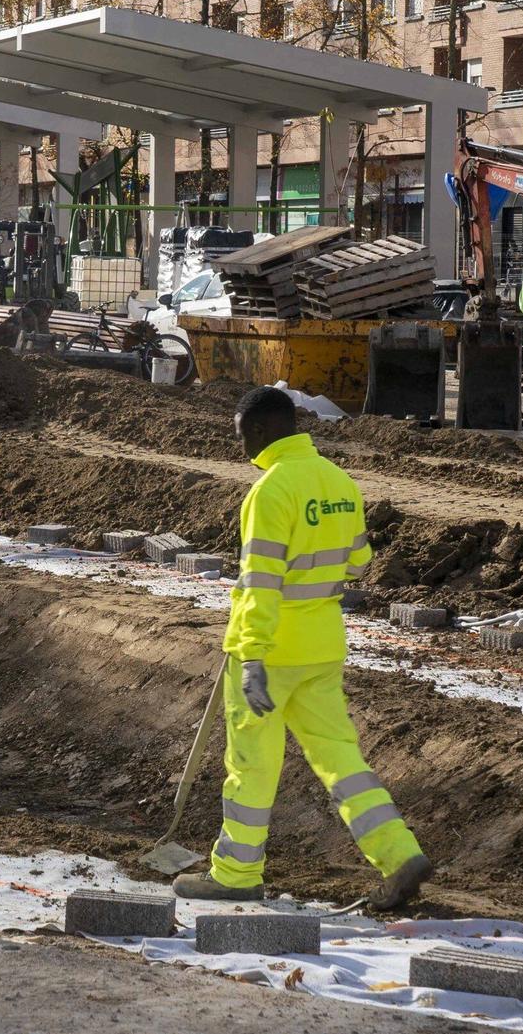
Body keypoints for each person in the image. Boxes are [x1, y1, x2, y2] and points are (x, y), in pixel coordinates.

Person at [173, 385, 433, 911]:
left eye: (243, 437)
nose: (243, 448)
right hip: (323, 645)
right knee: (341, 757)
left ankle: (236, 874)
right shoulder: (338, 482)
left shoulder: (270, 492)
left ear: (264, 431)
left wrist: (251, 658)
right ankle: (399, 853)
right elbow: (358, 562)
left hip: (271, 654)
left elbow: (261, 583)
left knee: (252, 765)